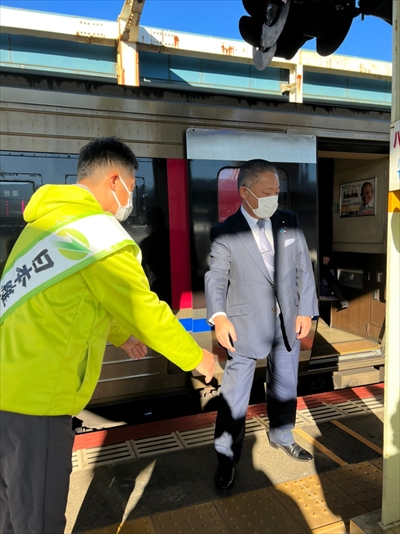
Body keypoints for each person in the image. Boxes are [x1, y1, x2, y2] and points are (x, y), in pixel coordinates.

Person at [0, 137, 215, 534]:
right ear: (114, 180)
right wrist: (197, 357)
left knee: (12, 512)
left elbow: (70, 300)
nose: (129, 199)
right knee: (39, 521)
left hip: (7, 392)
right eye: (131, 187)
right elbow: (144, 309)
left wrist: (119, 336)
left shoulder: (40, 228)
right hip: (39, 403)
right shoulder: (99, 235)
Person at [205, 159, 318, 493]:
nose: (274, 198)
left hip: (287, 322)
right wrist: (219, 316)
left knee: (285, 384)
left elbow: (303, 267)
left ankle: (282, 434)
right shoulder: (226, 231)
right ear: (245, 192)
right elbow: (216, 275)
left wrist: (305, 311)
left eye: (277, 191)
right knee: (234, 398)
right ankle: (226, 458)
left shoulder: (288, 221)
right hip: (244, 325)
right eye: (267, 192)